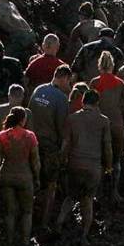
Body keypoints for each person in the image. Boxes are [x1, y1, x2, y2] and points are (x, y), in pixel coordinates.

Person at [57, 87, 111, 243]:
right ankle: (84, 234)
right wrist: (108, 166)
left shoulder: (72, 119)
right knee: (87, 200)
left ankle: (58, 225)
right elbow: (107, 147)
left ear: (82, 101)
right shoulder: (104, 121)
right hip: (93, 167)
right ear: (97, 103)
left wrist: (62, 162)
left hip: (74, 164)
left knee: (70, 197)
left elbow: (66, 144)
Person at [28, 64, 72, 229]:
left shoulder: (38, 90)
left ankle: (29, 217)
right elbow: (62, 128)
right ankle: (44, 222)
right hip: (50, 146)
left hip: (33, 143)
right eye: (69, 82)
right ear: (64, 78)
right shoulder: (61, 98)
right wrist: (64, 151)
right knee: (51, 184)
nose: (69, 86)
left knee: (34, 181)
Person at [0, 106, 39, 246]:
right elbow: (35, 161)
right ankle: (25, 245)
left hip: (7, 175)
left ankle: (9, 244)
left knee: (10, 212)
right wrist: (37, 178)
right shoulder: (30, 136)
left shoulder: (2, 136)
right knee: (27, 212)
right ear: (23, 119)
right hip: (25, 177)